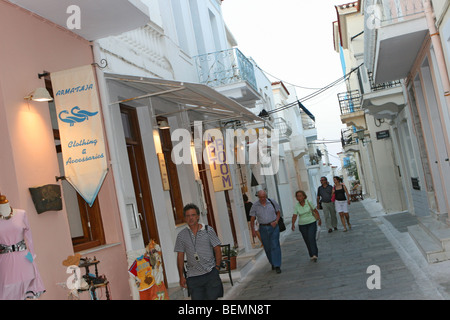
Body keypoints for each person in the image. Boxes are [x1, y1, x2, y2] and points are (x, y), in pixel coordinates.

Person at [0, 194, 46, 299]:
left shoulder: (21, 214)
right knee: (8, 292)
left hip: (25, 258)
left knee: (28, 289)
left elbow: (29, 237)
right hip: (5, 262)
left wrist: (32, 256)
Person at [174, 203, 223, 300]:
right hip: (193, 277)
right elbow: (180, 256)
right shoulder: (181, 235)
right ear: (185, 218)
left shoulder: (208, 230)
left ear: (198, 216)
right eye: (187, 216)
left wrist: (217, 268)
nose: (190, 218)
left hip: (210, 274)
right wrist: (181, 276)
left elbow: (217, 249)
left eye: (193, 215)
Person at [250, 190, 282, 273]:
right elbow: (252, 219)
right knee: (267, 247)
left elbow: (278, 213)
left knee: (275, 245)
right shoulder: (255, 205)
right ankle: (272, 262)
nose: (263, 198)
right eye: (261, 197)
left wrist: (276, 221)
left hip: (273, 226)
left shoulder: (272, 202)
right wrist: (253, 230)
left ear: (266, 196)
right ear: (258, 197)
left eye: (264, 196)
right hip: (263, 228)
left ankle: (277, 265)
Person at [291, 190, 322, 262]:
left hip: (311, 222)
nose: (299, 197)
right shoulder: (297, 206)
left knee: (311, 238)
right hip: (302, 225)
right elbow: (294, 215)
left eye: (300, 196)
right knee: (307, 240)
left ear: (304, 196)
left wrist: (319, 219)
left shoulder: (309, 202)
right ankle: (311, 254)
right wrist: (293, 224)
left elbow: (315, 211)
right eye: (297, 196)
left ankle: (315, 254)